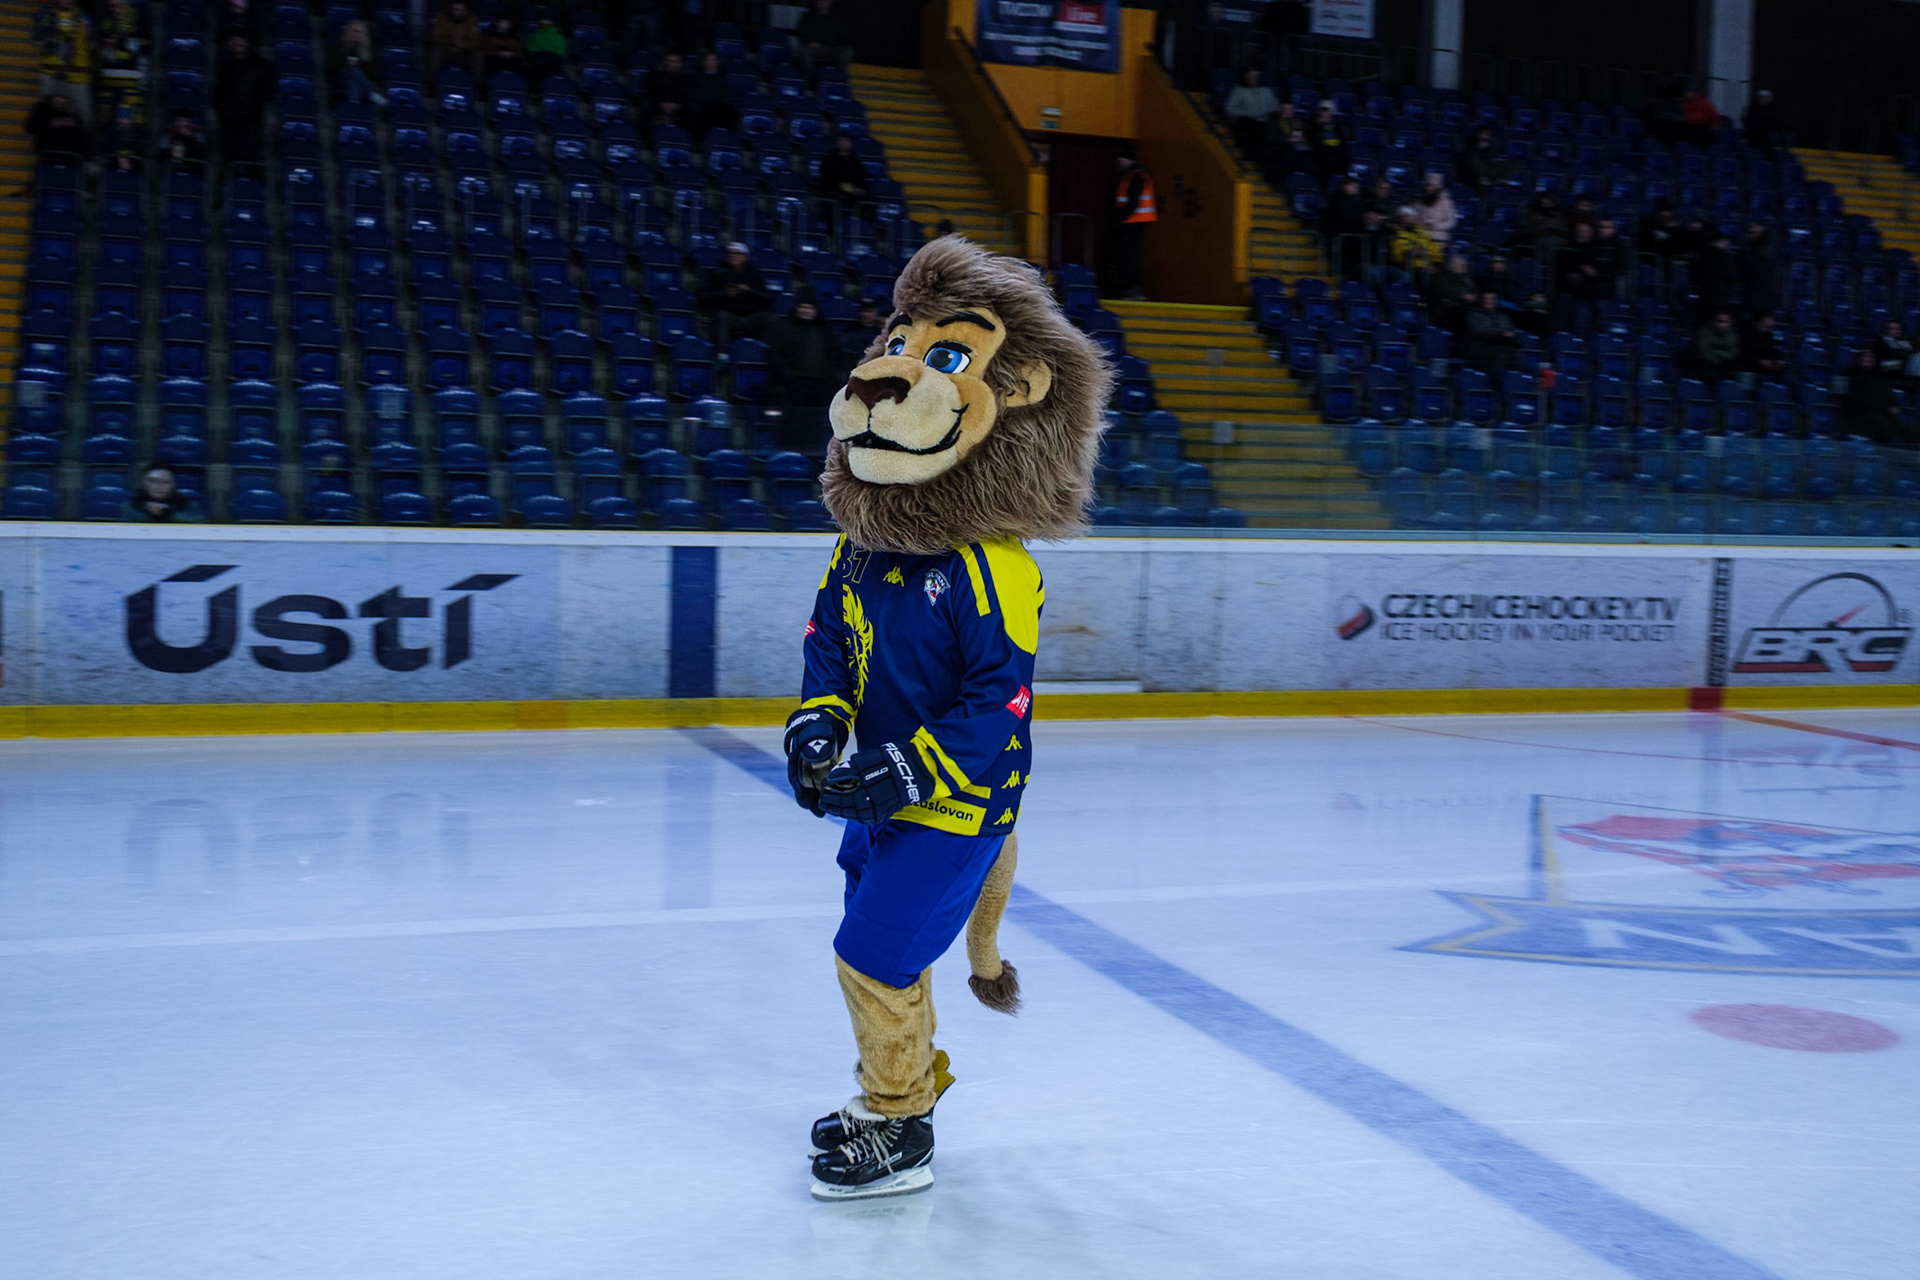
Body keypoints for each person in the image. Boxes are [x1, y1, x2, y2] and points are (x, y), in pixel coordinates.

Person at [763, 288, 838, 450]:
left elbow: (833, 358)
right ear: (797, 308)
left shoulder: (825, 330)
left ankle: (811, 459)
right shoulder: (783, 327)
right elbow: (773, 355)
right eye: (803, 307)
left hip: (818, 389)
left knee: (813, 429)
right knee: (792, 429)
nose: (806, 311)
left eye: (810, 308)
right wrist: (789, 378)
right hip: (791, 388)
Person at [213, 34, 275, 169]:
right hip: (229, 122)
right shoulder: (224, 66)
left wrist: (251, 108)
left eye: (241, 39)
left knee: (251, 161)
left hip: (252, 123)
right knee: (227, 161)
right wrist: (224, 109)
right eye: (234, 39)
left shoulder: (262, 65)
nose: (237, 43)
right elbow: (217, 92)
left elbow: (268, 92)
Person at [699, 241, 771, 347]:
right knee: (722, 317)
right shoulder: (717, 274)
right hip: (728, 314)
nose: (733, 256)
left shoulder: (755, 275)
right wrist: (724, 293)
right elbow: (703, 296)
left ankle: (766, 352)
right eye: (731, 253)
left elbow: (767, 297)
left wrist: (749, 291)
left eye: (738, 253)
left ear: (745, 257)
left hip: (751, 316)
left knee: (770, 319)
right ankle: (722, 353)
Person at [33, 0, 92, 122]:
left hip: (78, 76)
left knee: (84, 117)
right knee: (45, 114)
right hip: (51, 73)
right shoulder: (45, 15)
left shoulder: (85, 18)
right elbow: (37, 42)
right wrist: (51, 43)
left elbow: (94, 44)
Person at [1840, 348, 1911, 445]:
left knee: (1899, 424)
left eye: (1870, 356)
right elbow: (1849, 399)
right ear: (1858, 358)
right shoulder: (1848, 374)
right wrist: (1884, 408)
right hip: (1861, 412)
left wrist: (1894, 405)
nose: (1866, 359)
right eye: (1864, 356)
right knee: (1880, 421)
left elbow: (1887, 394)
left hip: (1881, 411)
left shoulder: (1880, 377)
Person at [1108, 153, 1156, 299]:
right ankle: (1128, 288)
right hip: (1134, 222)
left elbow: (1132, 203)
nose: (1118, 163)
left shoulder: (1135, 175)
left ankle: (1130, 289)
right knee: (1127, 257)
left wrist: (1119, 220)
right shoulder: (1134, 174)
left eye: (1120, 160)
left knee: (1127, 257)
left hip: (1133, 223)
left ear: (1126, 160)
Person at [329, 19, 387, 106]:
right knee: (352, 70)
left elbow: (374, 72)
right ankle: (373, 93)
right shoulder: (339, 45)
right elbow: (331, 67)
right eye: (354, 31)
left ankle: (353, 107)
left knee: (354, 82)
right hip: (342, 79)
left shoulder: (370, 50)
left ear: (364, 34)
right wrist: (347, 56)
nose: (356, 34)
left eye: (359, 32)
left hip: (360, 83)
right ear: (348, 31)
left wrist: (359, 63)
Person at [1463, 291, 1522, 376]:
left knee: (1518, 354)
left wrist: (1503, 333)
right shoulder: (1474, 315)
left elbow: (1510, 330)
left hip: (1502, 347)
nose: (1489, 301)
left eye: (1492, 299)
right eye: (1486, 299)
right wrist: (1501, 333)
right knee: (1501, 356)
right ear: (1481, 300)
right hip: (1481, 348)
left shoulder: (1502, 316)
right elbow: (1482, 331)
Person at [1222, 68, 1278, 158]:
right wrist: (1248, 113)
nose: (1253, 78)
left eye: (1255, 76)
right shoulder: (1238, 91)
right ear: (1246, 77)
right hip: (1247, 122)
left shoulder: (1266, 91)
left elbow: (1275, 106)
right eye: (1250, 76)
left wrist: (1263, 112)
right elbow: (1230, 109)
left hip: (1265, 122)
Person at [26, 90, 89, 163]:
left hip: (69, 158)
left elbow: (82, 136)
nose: (59, 100)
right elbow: (31, 129)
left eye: (63, 98)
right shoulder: (42, 110)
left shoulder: (73, 116)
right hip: (47, 155)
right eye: (57, 97)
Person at [1691, 232, 1742, 320]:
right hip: (1721, 298)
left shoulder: (1701, 256)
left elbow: (1694, 278)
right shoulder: (1725, 257)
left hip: (1704, 297)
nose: (1728, 245)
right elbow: (1734, 276)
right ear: (1722, 242)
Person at [794, 0, 852, 76]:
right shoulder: (808, 16)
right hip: (815, 48)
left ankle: (839, 77)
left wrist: (836, 44)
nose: (822, 2)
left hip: (832, 48)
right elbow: (802, 32)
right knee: (805, 50)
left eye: (825, 1)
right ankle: (809, 78)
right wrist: (811, 42)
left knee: (847, 51)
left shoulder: (838, 18)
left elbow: (844, 35)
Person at [1425, 251, 1478, 331]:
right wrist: (1462, 296)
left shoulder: (1468, 279)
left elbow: (1476, 290)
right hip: (1448, 308)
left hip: (1467, 307)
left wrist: (1475, 296)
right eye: (1461, 265)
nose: (1463, 267)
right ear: (1453, 265)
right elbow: (1444, 290)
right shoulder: (1444, 276)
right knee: (1463, 313)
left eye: (1464, 265)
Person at [815, 133, 869, 209]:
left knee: (868, 199)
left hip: (854, 193)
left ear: (850, 143)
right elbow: (827, 180)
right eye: (840, 140)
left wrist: (862, 190)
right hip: (835, 191)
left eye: (846, 140)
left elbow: (861, 178)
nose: (843, 142)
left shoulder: (856, 162)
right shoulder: (828, 160)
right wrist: (849, 189)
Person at [128, 467, 204, 522]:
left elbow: (200, 528)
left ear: (173, 485)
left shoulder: (190, 506)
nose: (159, 486)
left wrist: (169, 514)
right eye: (153, 481)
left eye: (165, 482)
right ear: (144, 482)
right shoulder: (130, 506)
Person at [688, 49, 735, 137]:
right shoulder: (697, 76)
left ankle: (728, 138)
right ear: (704, 62)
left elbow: (727, 92)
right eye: (709, 60)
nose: (712, 62)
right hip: (704, 106)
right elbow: (696, 93)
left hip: (721, 105)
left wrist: (719, 102)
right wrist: (709, 102)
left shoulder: (724, 76)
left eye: (714, 60)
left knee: (732, 111)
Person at [430, 0, 481, 80]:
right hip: (446, 50)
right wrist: (450, 41)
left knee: (477, 54)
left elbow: (475, 40)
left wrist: (463, 44)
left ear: (466, 11)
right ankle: (430, 81)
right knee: (436, 51)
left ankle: (480, 83)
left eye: (461, 10)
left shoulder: (472, 20)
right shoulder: (442, 18)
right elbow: (437, 37)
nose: (457, 12)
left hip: (464, 52)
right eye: (455, 9)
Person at [1386, 206, 1438, 283]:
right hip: (1406, 267)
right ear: (1398, 218)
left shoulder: (1424, 233)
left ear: (1413, 217)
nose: (1405, 218)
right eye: (1403, 216)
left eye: (1408, 216)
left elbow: (1434, 249)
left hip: (1425, 266)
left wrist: (1435, 265)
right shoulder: (1395, 234)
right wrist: (1409, 253)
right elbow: (1396, 256)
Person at [1739, 219, 1779, 317]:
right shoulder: (1754, 248)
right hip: (1754, 297)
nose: (1748, 236)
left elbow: (1757, 270)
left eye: (1751, 232)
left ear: (1761, 230)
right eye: (1748, 232)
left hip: (1761, 301)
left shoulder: (1766, 250)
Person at [1691, 310, 1742, 384]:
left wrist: (1715, 351)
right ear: (1714, 321)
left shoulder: (1733, 334)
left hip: (1725, 366)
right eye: (1720, 321)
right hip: (1705, 365)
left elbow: (1733, 354)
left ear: (1731, 323)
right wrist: (1719, 358)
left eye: (1726, 322)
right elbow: (1704, 351)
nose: (1723, 325)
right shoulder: (1704, 330)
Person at [152, 109, 206, 174]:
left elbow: (202, 151)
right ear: (176, 122)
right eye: (180, 121)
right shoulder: (169, 133)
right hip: (172, 166)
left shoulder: (197, 133)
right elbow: (162, 151)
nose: (183, 124)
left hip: (192, 166)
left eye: (186, 121)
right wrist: (170, 149)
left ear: (190, 122)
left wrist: (190, 138)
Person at [840, 298, 883, 379]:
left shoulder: (881, 334)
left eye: (869, 311)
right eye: (863, 311)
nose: (865, 314)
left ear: (875, 314)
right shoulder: (849, 330)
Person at [1412, 170, 1456, 248]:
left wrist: (1436, 225)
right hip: (1420, 234)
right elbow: (1412, 218)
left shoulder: (1447, 203)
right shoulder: (1418, 202)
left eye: (1430, 186)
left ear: (1437, 188)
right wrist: (1422, 224)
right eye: (1426, 185)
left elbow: (1452, 221)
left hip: (1439, 236)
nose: (1427, 188)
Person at [648, 50, 691, 129]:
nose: (672, 64)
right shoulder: (655, 75)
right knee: (646, 106)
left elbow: (687, 94)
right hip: (658, 104)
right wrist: (661, 104)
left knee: (691, 109)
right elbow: (651, 92)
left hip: (679, 106)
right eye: (670, 61)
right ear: (665, 62)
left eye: (675, 62)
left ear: (680, 63)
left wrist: (676, 105)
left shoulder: (686, 77)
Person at [522, 16, 567, 91]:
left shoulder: (558, 37)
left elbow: (560, 53)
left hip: (551, 62)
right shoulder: (534, 36)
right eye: (543, 21)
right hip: (536, 61)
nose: (545, 23)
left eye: (547, 22)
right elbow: (530, 49)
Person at [1308, 100, 1347, 180]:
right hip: (1321, 151)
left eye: (1329, 111)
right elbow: (1313, 140)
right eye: (1325, 111)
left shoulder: (1337, 125)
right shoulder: (1313, 124)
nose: (1327, 114)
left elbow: (1342, 139)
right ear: (1320, 112)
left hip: (1336, 150)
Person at [1743, 312, 1786, 380]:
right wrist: (1759, 361)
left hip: (1764, 371)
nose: (1769, 330)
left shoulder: (1769, 336)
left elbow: (1772, 353)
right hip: (1748, 370)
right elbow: (1744, 356)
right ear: (1757, 323)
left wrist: (1776, 362)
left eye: (1771, 327)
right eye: (1766, 326)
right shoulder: (1746, 335)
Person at [481, 15, 521, 81]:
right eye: (501, 22)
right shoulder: (488, 35)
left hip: (511, 60)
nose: (504, 25)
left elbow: (520, 51)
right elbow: (482, 49)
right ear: (496, 23)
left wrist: (513, 54)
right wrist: (498, 52)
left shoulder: (515, 37)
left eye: (507, 23)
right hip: (492, 59)